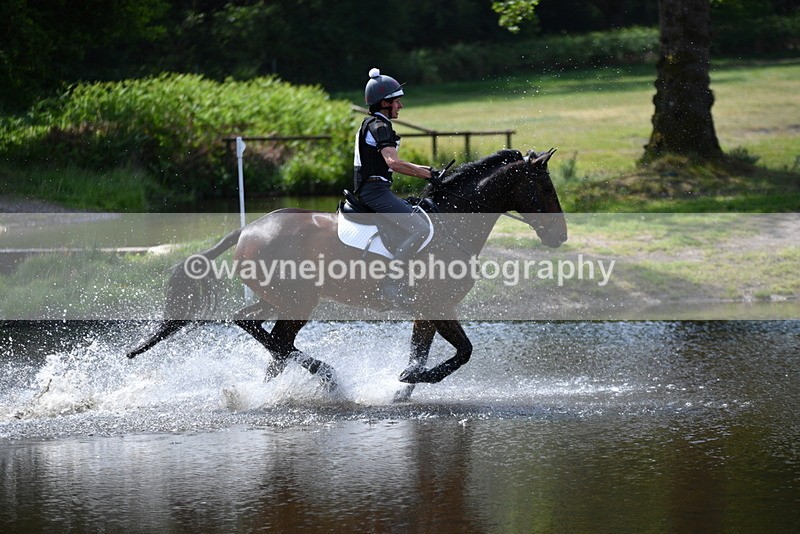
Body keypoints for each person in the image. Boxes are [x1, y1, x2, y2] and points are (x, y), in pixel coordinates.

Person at [353, 67, 442, 308]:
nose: (400, 106)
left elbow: (396, 162)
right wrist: (426, 175)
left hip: (377, 189)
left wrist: (429, 170)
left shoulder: (374, 123)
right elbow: (393, 162)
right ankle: (391, 283)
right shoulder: (380, 126)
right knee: (420, 229)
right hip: (373, 191)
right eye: (397, 101)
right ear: (384, 103)